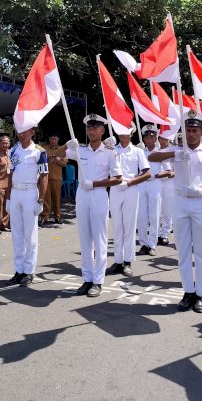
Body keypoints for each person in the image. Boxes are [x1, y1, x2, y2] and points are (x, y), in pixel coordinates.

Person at [148, 110, 202, 313]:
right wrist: (174, 153)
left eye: (195, 130)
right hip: (181, 202)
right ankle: (188, 292)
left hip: (201, 202)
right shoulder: (177, 151)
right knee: (183, 251)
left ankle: (201, 294)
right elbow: (152, 156)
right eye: (188, 130)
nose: (191, 134)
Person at [59, 114, 122, 298]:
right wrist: (68, 145)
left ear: (102, 130)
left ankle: (98, 281)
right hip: (82, 195)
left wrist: (95, 184)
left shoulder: (110, 152)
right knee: (85, 238)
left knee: (99, 239)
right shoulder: (82, 151)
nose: (92, 131)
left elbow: (117, 179)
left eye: (96, 128)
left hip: (98, 195)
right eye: (89, 128)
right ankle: (87, 278)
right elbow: (57, 154)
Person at [4, 126, 48, 287]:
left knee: (30, 235)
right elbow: (10, 175)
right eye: (19, 131)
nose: (21, 134)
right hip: (16, 193)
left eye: (25, 131)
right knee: (17, 234)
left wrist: (41, 200)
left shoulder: (39, 151)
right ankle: (19, 270)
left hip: (30, 193)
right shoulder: (13, 150)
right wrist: (8, 198)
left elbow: (44, 177)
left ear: (32, 133)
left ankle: (29, 271)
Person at [108, 126, 150, 276]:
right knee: (117, 226)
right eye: (121, 132)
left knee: (129, 227)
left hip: (131, 189)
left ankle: (127, 261)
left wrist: (130, 182)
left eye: (127, 132)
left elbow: (147, 173)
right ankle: (118, 260)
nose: (123, 135)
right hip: (115, 189)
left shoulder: (138, 151)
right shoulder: (111, 149)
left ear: (132, 133)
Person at [138, 124, 163, 255]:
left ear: (155, 138)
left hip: (155, 184)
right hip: (141, 184)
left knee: (154, 214)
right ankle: (143, 243)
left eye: (151, 137)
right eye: (146, 137)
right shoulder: (140, 151)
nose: (149, 139)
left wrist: (153, 175)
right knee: (141, 215)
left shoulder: (161, 152)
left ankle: (152, 244)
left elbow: (169, 172)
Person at [41, 132, 67, 225]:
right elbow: (40, 161)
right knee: (46, 197)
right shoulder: (44, 149)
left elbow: (65, 164)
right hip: (45, 177)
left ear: (58, 140)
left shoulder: (62, 150)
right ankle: (45, 216)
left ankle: (57, 216)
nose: (53, 141)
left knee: (56, 198)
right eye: (52, 139)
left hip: (57, 177)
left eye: (55, 139)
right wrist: (47, 159)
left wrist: (56, 160)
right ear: (49, 139)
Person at [156, 135, 175, 246]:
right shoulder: (156, 151)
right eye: (161, 139)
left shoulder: (174, 152)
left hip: (169, 183)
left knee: (168, 210)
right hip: (157, 182)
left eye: (165, 139)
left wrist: (167, 174)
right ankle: (157, 233)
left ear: (170, 140)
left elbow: (176, 171)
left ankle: (164, 234)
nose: (163, 141)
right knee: (157, 210)